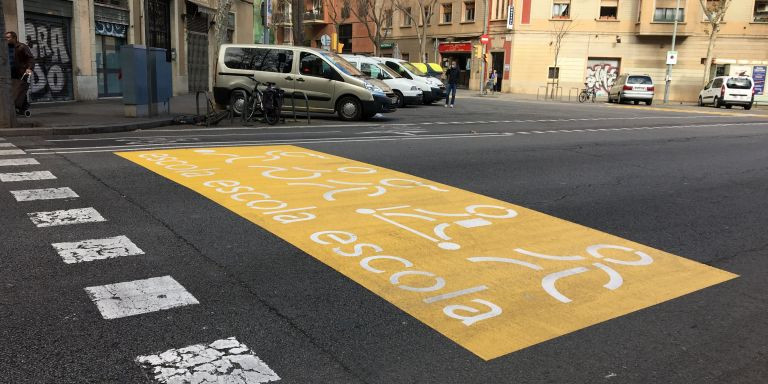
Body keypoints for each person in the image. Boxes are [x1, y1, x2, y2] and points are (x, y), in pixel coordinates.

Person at [5, 31, 34, 114]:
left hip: (20, 72)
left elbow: (30, 58)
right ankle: (17, 107)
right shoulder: (4, 47)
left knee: (19, 89)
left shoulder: (22, 47)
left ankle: (22, 108)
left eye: (8, 37)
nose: (6, 39)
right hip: (8, 72)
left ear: (14, 38)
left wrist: (29, 68)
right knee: (12, 90)